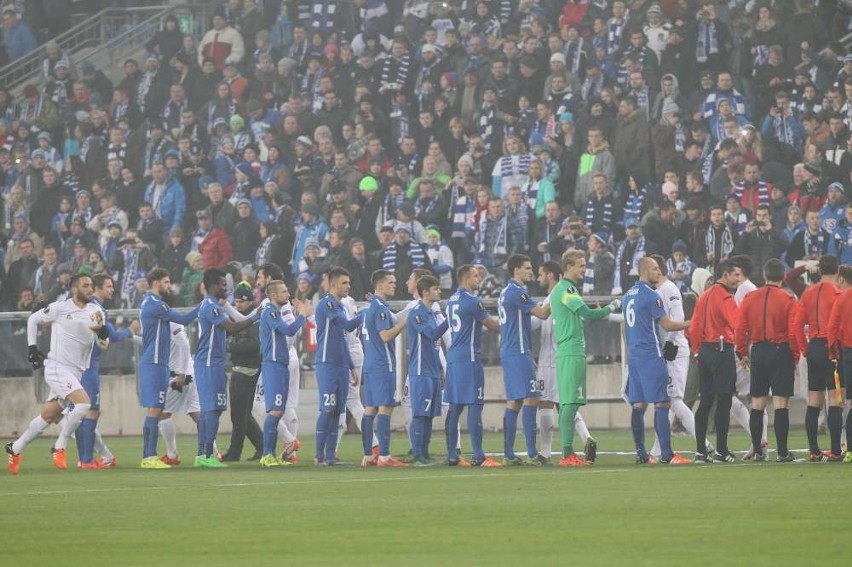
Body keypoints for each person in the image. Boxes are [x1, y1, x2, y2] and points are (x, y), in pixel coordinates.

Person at [7, 274, 105, 475]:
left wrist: (102, 337)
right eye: (86, 286)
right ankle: (60, 446)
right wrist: (32, 348)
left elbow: (103, 342)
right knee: (84, 404)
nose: (90, 289)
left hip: (76, 372)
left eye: (91, 286)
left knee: (49, 415)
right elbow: (33, 319)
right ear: (74, 289)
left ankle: (15, 448)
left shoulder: (96, 311)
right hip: (57, 367)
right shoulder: (61, 307)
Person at [550, 250, 619, 467]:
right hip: (571, 350)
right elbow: (589, 315)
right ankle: (566, 455)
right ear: (568, 267)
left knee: (569, 403)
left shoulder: (561, 290)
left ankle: (567, 453)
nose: (584, 269)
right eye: (580, 265)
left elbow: (581, 318)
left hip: (567, 350)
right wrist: (611, 307)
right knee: (569, 404)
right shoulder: (566, 289)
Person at [623, 257, 692, 465]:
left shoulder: (627, 296)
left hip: (634, 357)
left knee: (639, 405)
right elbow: (668, 325)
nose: (658, 272)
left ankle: (642, 454)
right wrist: (693, 322)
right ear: (644, 271)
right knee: (662, 402)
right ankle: (668, 455)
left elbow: (625, 329)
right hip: (651, 356)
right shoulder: (651, 295)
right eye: (654, 269)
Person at [193, 268, 260, 468]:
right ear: (212, 286)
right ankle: (206, 456)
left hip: (212, 363)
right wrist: (256, 316)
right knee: (212, 410)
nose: (225, 287)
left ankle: (202, 455)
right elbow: (231, 328)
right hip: (209, 363)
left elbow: (229, 329)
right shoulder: (210, 307)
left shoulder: (213, 306)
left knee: (209, 411)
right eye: (222, 284)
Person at [646, 255, 710, 460]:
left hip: (675, 351)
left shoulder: (670, 289)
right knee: (665, 401)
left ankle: (705, 444)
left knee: (674, 401)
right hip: (666, 350)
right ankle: (657, 449)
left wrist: (670, 343)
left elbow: (679, 318)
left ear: (658, 269)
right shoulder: (657, 291)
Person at [71, 274, 137, 468]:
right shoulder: (96, 308)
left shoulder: (83, 306)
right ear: (97, 288)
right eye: (108, 286)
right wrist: (131, 329)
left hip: (76, 364)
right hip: (89, 366)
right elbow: (113, 336)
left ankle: (86, 457)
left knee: (80, 412)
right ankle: (86, 460)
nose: (112, 289)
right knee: (91, 411)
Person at [736, 259, 799, 462]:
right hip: (781, 351)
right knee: (781, 403)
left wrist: (743, 352)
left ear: (764, 277)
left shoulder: (750, 297)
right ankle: (782, 452)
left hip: (758, 350)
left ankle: (758, 451)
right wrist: (795, 356)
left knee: (757, 402)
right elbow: (793, 332)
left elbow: (740, 328)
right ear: (783, 277)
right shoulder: (788, 299)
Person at [534, 261, 597, 462]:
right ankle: (587, 438)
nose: (538, 278)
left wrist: (523, 307)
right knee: (566, 403)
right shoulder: (564, 293)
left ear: (551, 275)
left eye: (540, 274)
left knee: (547, 403)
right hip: (561, 355)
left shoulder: (557, 295)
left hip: (554, 358)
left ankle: (546, 452)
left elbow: (540, 317)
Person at [138, 268, 200, 469]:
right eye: (166, 282)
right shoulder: (156, 305)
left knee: (158, 410)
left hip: (157, 363)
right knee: (156, 410)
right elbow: (184, 319)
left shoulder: (149, 303)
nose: (169, 286)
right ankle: (149, 457)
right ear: (156, 283)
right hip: (155, 363)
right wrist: (206, 304)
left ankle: (156, 455)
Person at [444, 264, 502, 468]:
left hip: (453, 358)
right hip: (469, 360)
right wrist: (514, 321)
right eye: (476, 276)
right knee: (475, 405)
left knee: (455, 406)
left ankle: (452, 454)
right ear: (466, 279)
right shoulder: (473, 302)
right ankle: (479, 456)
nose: (479, 279)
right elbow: (493, 326)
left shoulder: (450, 301)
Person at [498, 254, 551, 465]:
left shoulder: (506, 292)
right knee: (532, 398)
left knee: (514, 402)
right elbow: (542, 314)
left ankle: (509, 454)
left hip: (511, 352)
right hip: (518, 353)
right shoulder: (516, 292)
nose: (531, 271)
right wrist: (557, 292)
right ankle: (531, 454)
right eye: (527, 268)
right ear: (516, 270)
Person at [689, 259, 741, 464]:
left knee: (706, 401)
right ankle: (721, 450)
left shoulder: (704, 296)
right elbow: (736, 322)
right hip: (721, 350)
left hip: (704, 352)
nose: (737, 279)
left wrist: (696, 352)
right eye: (735, 275)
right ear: (725, 275)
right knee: (724, 400)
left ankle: (701, 451)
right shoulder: (725, 297)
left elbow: (693, 327)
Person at [794, 255, 844, 461]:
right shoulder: (838, 293)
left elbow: (796, 326)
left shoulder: (808, 293)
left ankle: (814, 450)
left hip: (813, 346)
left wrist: (805, 349)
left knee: (814, 400)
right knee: (835, 400)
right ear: (838, 272)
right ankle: (835, 450)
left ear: (820, 270)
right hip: (831, 348)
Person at [258, 280, 311, 467]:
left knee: (278, 411)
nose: (287, 294)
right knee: (275, 410)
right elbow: (288, 330)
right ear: (273, 296)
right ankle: (266, 454)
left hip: (281, 364)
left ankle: (271, 454)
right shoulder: (270, 312)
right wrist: (302, 316)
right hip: (272, 365)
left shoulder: (276, 312)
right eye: (283, 291)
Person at [314, 267, 363, 466]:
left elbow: (342, 339)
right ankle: (319, 455)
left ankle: (331, 455)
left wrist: (351, 366)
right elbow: (347, 326)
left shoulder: (340, 306)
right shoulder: (327, 304)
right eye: (344, 283)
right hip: (327, 363)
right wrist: (367, 313)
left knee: (338, 410)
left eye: (349, 283)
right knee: (328, 409)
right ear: (333, 284)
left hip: (342, 364)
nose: (348, 286)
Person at [360, 270, 409, 467]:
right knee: (385, 407)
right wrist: (405, 323)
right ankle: (385, 456)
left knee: (370, 409)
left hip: (370, 364)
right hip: (382, 364)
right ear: (379, 285)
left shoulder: (371, 306)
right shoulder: (379, 308)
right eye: (390, 282)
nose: (394, 285)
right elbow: (385, 336)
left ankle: (369, 456)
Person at [406, 275, 449, 466]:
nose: (439, 291)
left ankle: (425, 452)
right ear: (425, 292)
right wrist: (450, 321)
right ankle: (417, 454)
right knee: (420, 414)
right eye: (436, 288)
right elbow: (432, 334)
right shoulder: (417, 313)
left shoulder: (431, 313)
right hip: (420, 370)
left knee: (430, 414)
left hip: (432, 371)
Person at [221, 283, 264, 462]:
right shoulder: (244, 317)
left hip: (247, 369)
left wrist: (230, 347)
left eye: (242, 301)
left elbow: (255, 345)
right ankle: (263, 446)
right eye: (236, 301)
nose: (238, 305)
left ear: (250, 301)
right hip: (243, 368)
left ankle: (235, 451)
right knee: (243, 414)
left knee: (239, 414)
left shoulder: (254, 319)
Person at [827, 265, 852, 463]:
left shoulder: (842, 298)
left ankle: (850, 450)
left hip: (848, 352)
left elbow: (832, 326)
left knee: (850, 403)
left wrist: (832, 351)